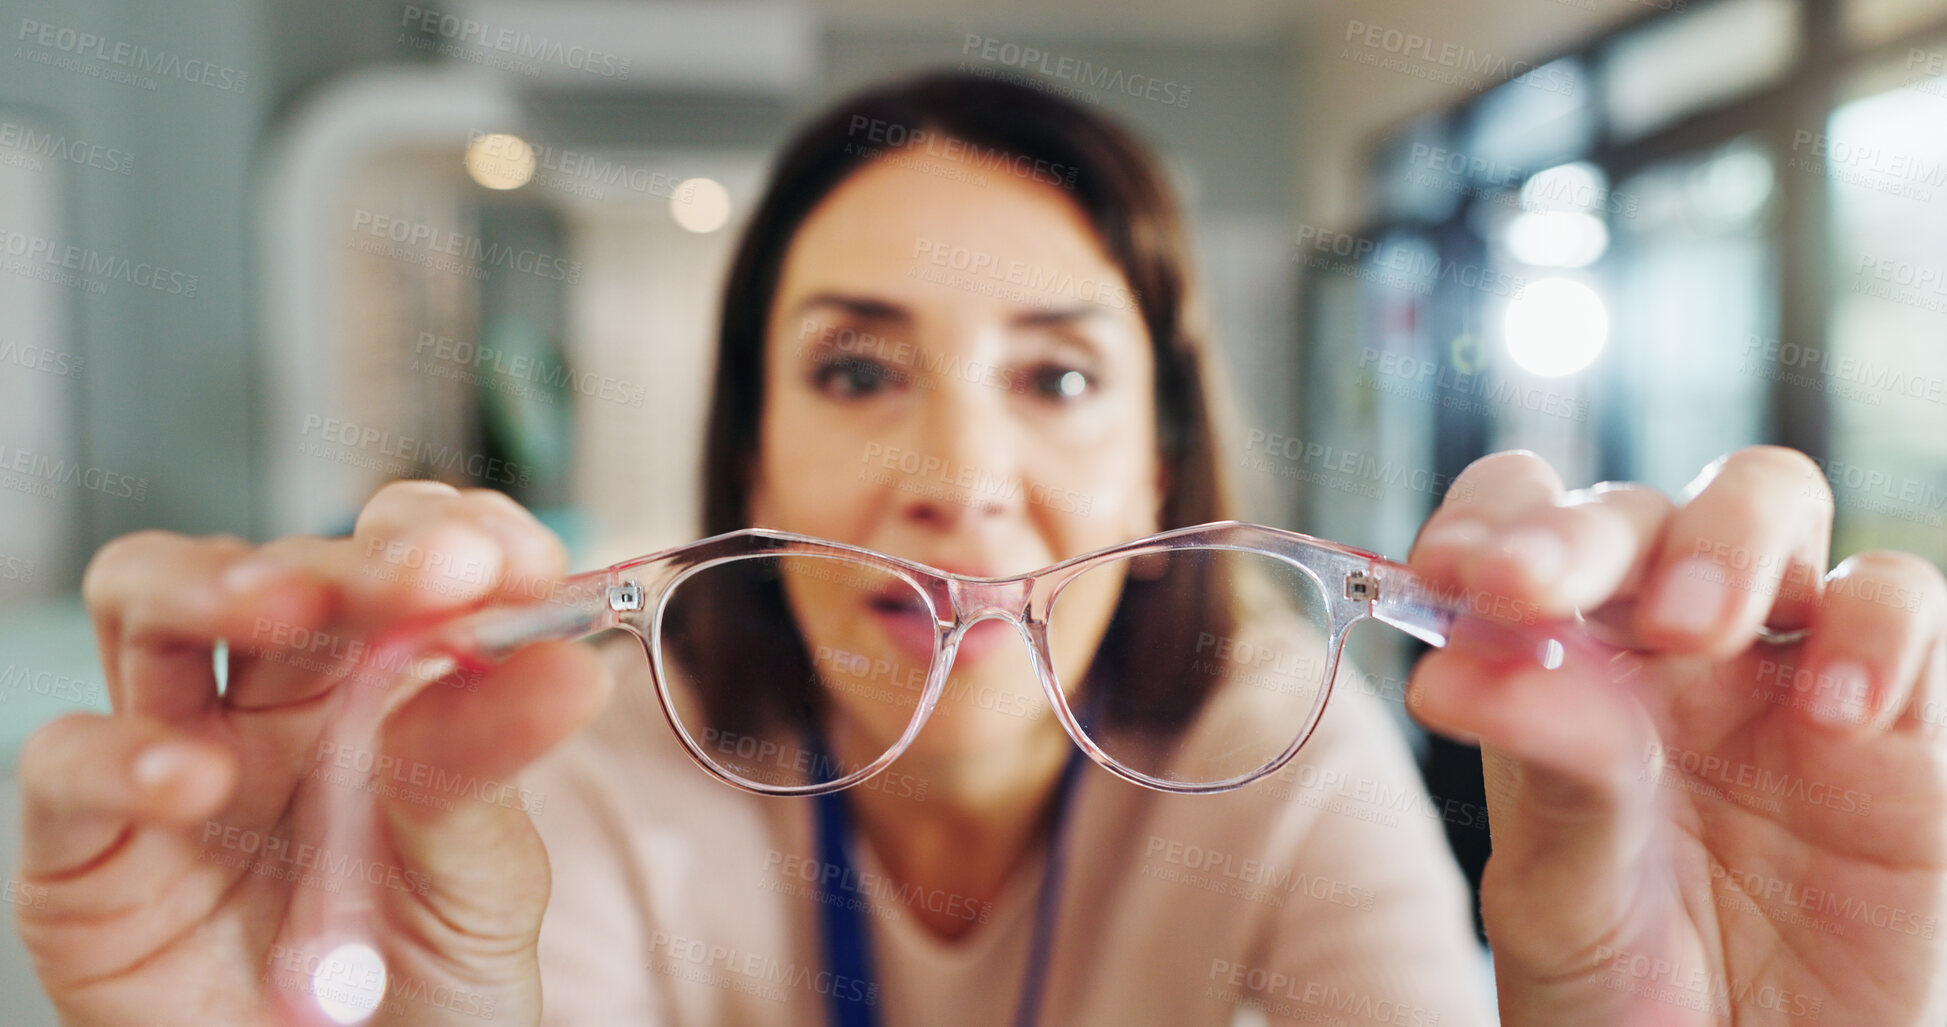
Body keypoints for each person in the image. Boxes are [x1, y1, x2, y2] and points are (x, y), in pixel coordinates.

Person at [15, 70, 1946, 1027]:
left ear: (1162, 463)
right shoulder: (568, 780)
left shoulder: (1279, 752)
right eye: (859, 368)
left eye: (1058, 373)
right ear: (750, 447)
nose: (960, 476)